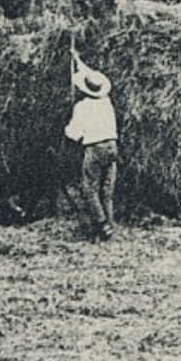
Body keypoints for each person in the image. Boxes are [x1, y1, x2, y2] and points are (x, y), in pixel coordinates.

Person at [64, 47, 119, 240]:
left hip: (95, 148)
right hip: (112, 146)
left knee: (90, 190)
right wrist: (77, 59)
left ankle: (103, 226)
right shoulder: (106, 102)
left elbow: (74, 135)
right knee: (107, 190)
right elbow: (90, 77)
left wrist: (66, 128)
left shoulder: (81, 107)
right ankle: (110, 227)